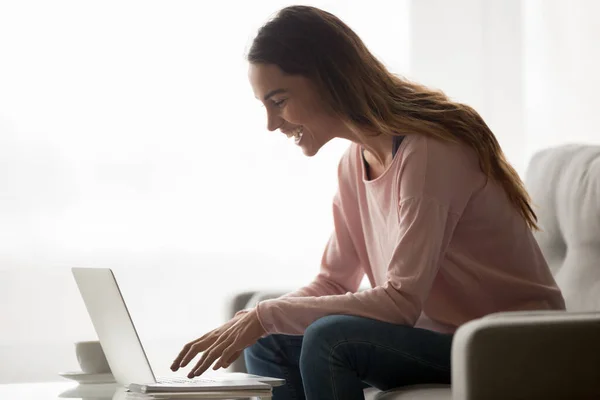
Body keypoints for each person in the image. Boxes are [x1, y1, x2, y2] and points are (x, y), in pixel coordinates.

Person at [170, 5, 565, 399]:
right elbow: (333, 281)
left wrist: (267, 314)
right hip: (446, 340)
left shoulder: (429, 153)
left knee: (331, 339)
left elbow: (400, 301)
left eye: (279, 100)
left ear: (327, 79)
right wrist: (254, 320)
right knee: (267, 339)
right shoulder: (353, 163)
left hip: (511, 344)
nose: (272, 124)